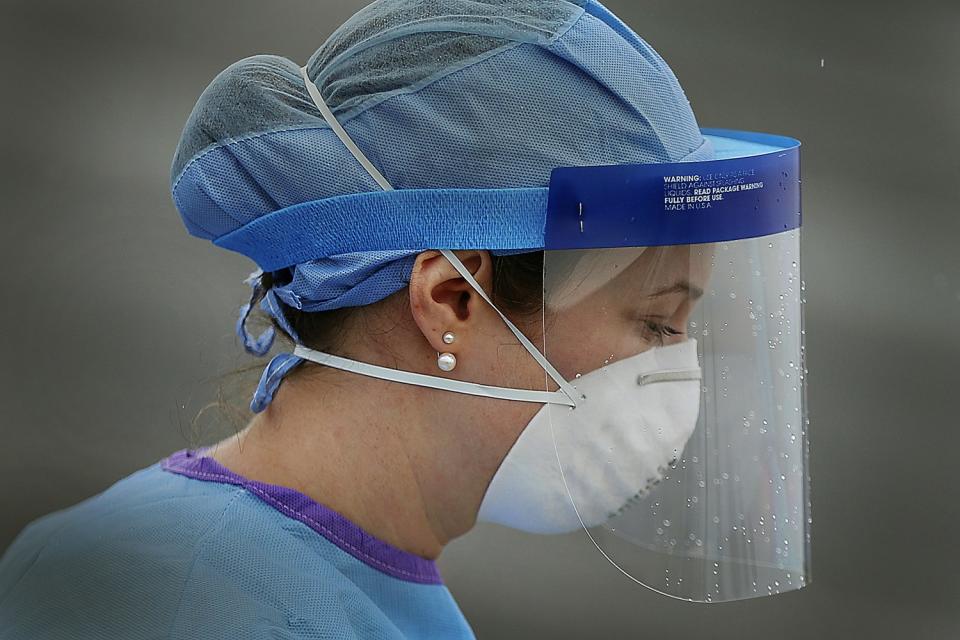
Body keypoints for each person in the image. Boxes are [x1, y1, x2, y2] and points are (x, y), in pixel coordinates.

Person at [0, 0, 809, 637]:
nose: (680, 372)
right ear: (453, 299)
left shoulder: (339, 589)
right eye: (659, 324)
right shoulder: (162, 604)